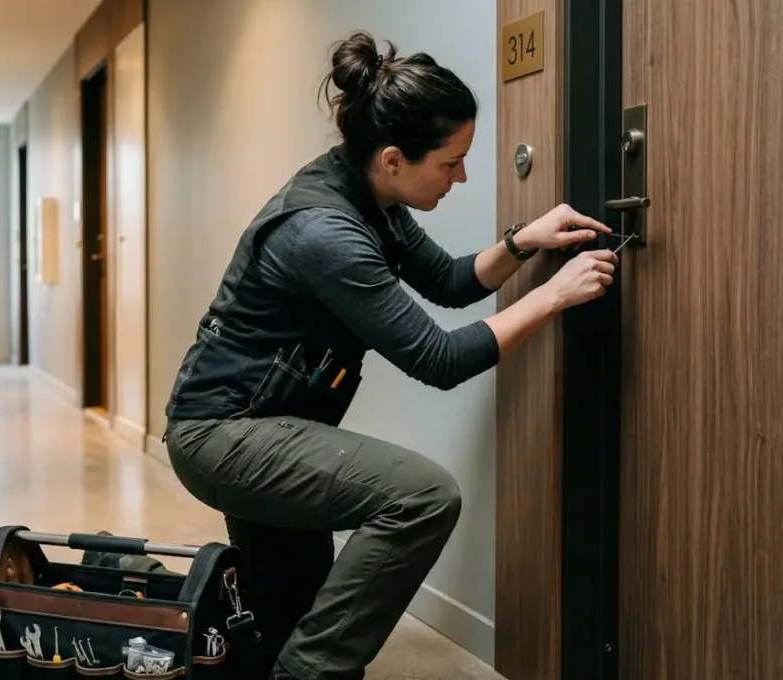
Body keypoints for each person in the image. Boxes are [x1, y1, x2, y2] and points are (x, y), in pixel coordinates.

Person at [160, 30, 618, 680]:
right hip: (225, 435)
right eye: (451, 162)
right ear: (396, 157)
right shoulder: (325, 233)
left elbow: (451, 283)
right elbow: (440, 358)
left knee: (289, 617)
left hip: (265, 426)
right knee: (423, 497)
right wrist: (553, 298)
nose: (461, 176)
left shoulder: (367, 191)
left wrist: (523, 242)